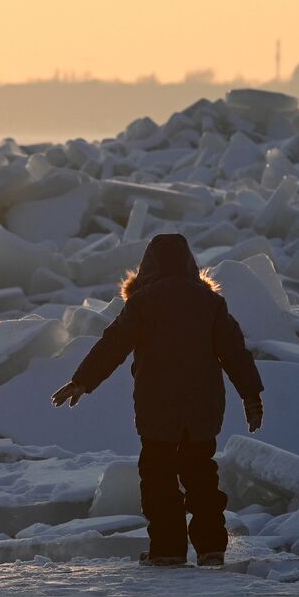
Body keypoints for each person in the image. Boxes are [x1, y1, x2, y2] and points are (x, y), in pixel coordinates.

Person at [51, 233, 264, 567]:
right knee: (201, 474)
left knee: (158, 476)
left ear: (148, 266)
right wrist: (251, 396)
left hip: (157, 404)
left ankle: (167, 550)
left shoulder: (143, 301)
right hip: (202, 404)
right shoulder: (210, 303)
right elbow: (234, 351)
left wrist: (82, 381)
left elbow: (113, 344)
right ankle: (211, 549)